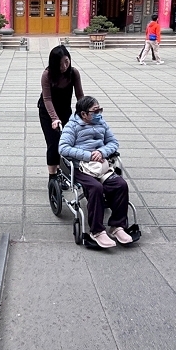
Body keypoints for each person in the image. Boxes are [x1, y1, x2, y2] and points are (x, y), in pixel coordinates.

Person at [59, 96, 132, 248]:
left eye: (100, 109)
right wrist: (88, 155)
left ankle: (117, 226)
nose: (99, 113)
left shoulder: (101, 123)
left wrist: (101, 151)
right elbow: (63, 148)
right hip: (81, 167)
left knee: (121, 185)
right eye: (95, 111)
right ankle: (97, 231)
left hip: (101, 165)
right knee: (96, 188)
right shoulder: (71, 127)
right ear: (84, 114)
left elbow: (113, 143)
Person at [38, 45, 84, 183]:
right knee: (53, 143)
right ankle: (52, 177)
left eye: (66, 61)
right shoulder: (47, 75)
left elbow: (80, 95)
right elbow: (47, 99)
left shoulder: (73, 73)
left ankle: (64, 172)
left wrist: (84, 113)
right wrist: (54, 118)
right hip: (48, 112)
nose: (64, 66)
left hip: (65, 111)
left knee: (67, 142)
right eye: (60, 64)